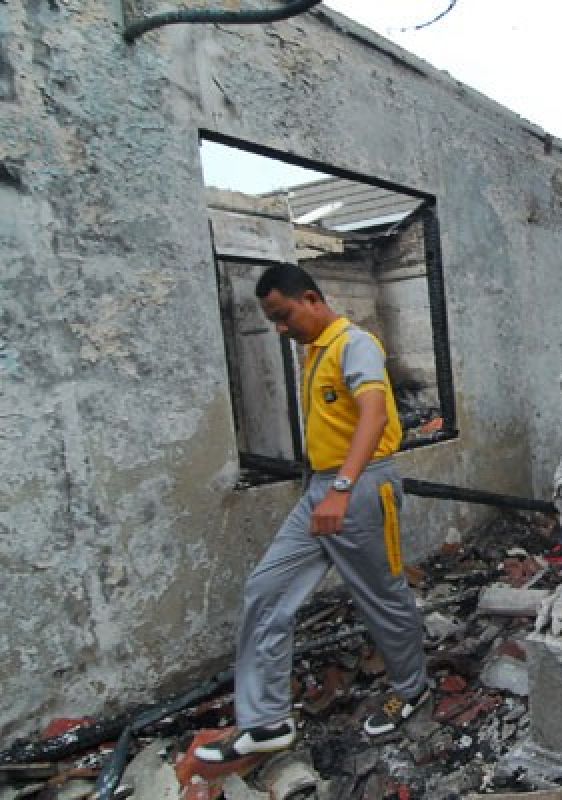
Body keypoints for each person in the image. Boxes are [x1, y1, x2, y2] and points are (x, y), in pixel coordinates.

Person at [196, 264, 428, 763]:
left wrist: (343, 488)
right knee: (265, 589)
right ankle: (266, 722)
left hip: (361, 487)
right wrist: (327, 489)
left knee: (382, 598)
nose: (280, 329)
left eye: (283, 316)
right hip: (322, 489)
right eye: (273, 320)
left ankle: (413, 690)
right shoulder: (315, 352)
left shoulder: (354, 344)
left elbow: (375, 414)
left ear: (311, 299)